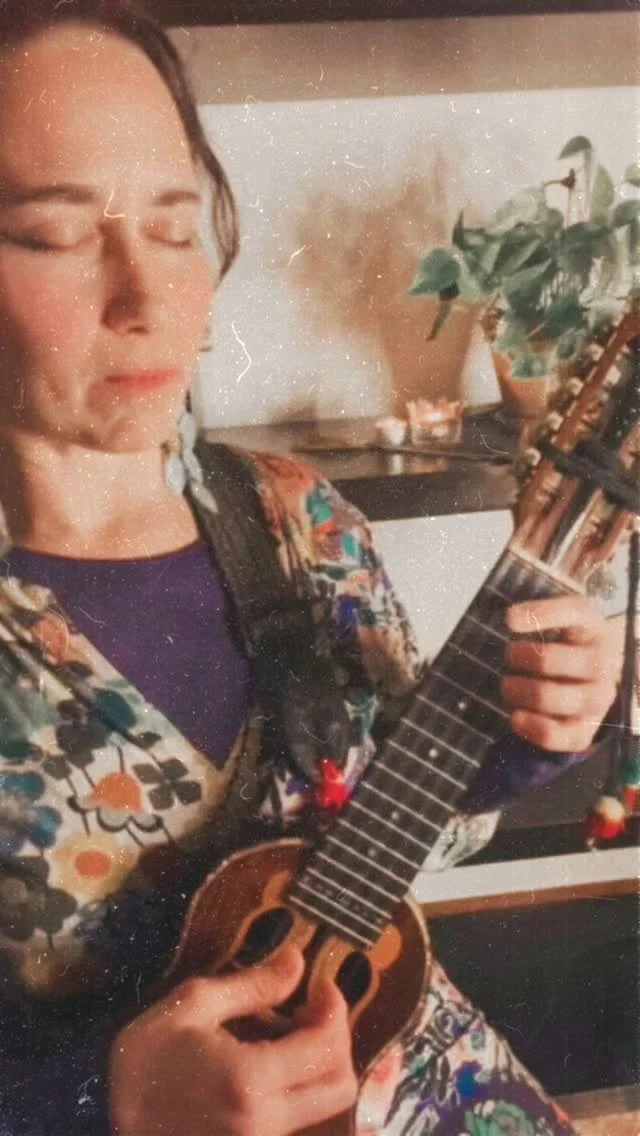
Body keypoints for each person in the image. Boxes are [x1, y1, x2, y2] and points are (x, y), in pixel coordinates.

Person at [0, 3, 624, 1134]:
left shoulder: (299, 518)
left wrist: (531, 728)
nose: (148, 298)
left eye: (175, 226)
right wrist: (109, 1099)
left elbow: (394, 824)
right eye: (53, 235)